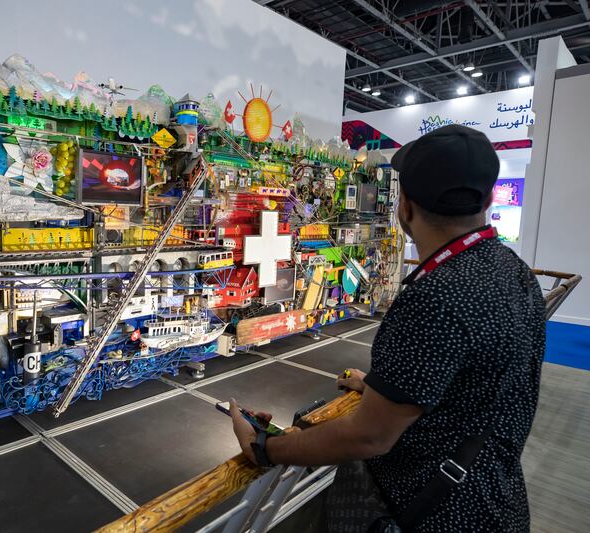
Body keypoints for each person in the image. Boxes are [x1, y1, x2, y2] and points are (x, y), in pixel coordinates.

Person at [230, 124, 546, 532]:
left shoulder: (437, 295)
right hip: (496, 501)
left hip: (431, 514)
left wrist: (265, 448)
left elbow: (368, 438)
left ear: (404, 208)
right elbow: (475, 382)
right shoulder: (515, 273)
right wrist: (381, 387)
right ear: (487, 199)